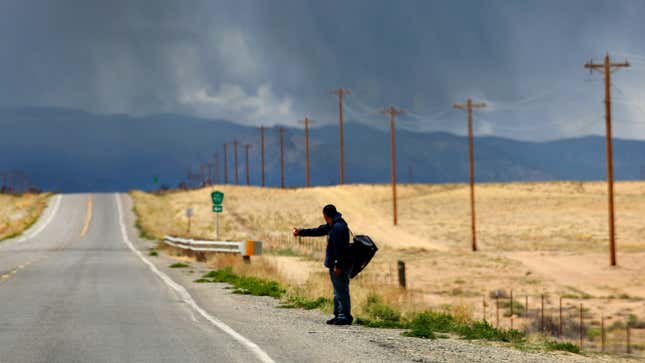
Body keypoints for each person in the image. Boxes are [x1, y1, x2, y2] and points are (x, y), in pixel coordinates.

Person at [293, 204, 352, 325]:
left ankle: (344, 317)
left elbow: (340, 249)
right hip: (338, 264)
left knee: (341, 291)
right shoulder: (334, 225)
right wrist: (301, 232)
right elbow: (318, 230)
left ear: (325, 216)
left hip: (339, 265)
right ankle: (338, 315)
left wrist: (338, 265)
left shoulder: (337, 228)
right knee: (337, 291)